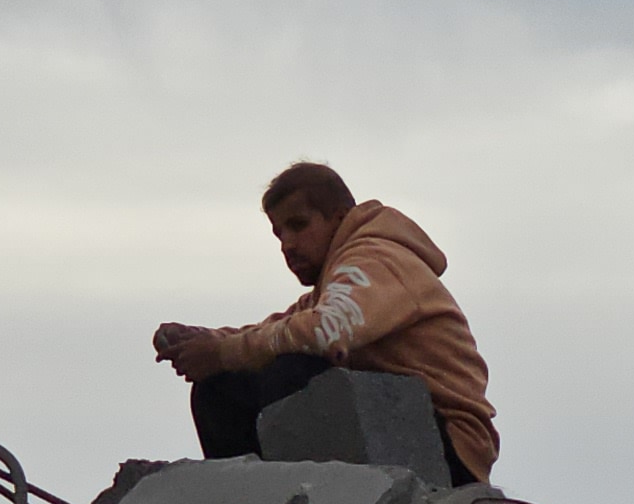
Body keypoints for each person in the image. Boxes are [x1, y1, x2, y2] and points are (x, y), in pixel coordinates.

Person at [153, 162, 500, 484]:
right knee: (221, 387)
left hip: (446, 447)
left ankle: (300, 500)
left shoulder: (378, 259)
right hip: (397, 421)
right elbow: (280, 326)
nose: (287, 245)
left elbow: (324, 331)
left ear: (337, 218)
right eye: (278, 234)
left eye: (299, 225)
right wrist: (206, 342)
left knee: (294, 370)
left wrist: (223, 351)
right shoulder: (334, 283)